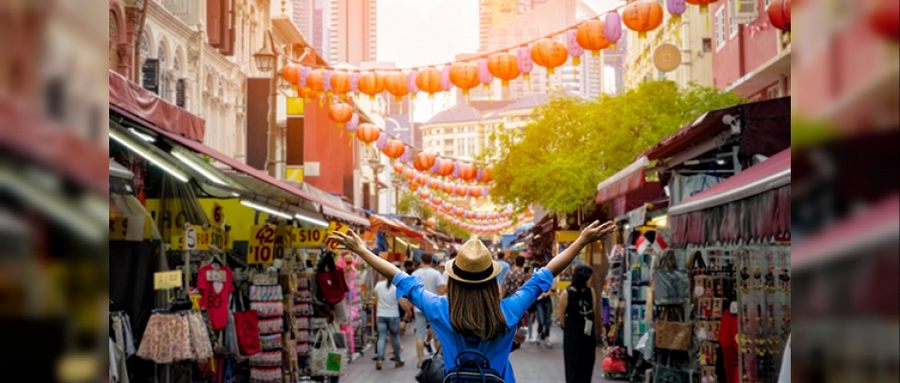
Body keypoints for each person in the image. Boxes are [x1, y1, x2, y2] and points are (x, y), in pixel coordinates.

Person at [328, 220, 615, 383]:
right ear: (492, 280)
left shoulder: (441, 310)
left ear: (454, 279)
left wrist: (363, 251)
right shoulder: (508, 311)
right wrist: (581, 242)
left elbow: (401, 277)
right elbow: (546, 274)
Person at [558, 264, 596, 383]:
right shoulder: (567, 293)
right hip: (572, 334)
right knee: (572, 364)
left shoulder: (591, 291)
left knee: (587, 363)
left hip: (588, 334)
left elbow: (593, 310)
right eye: (588, 277)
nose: (590, 279)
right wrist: (567, 328)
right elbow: (561, 315)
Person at [411, 253, 444, 367]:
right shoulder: (436, 273)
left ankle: (420, 361)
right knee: (437, 336)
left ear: (421, 261)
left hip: (419, 307)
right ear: (431, 261)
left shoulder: (415, 273)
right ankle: (439, 360)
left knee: (419, 336)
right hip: (433, 307)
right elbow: (441, 289)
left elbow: (410, 290)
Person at [373, 274, 409, 369]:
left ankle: (380, 360)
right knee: (395, 337)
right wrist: (408, 312)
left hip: (381, 314)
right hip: (393, 315)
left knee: (381, 337)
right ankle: (397, 360)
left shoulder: (378, 285)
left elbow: (375, 301)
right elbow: (402, 302)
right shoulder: (396, 287)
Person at [534, 261, 556, 348]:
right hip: (539, 301)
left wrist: (546, 294)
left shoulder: (552, 278)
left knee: (547, 320)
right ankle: (539, 335)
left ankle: (546, 337)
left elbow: (554, 289)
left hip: (547, 301)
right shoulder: (537, 278)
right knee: (541, 320)